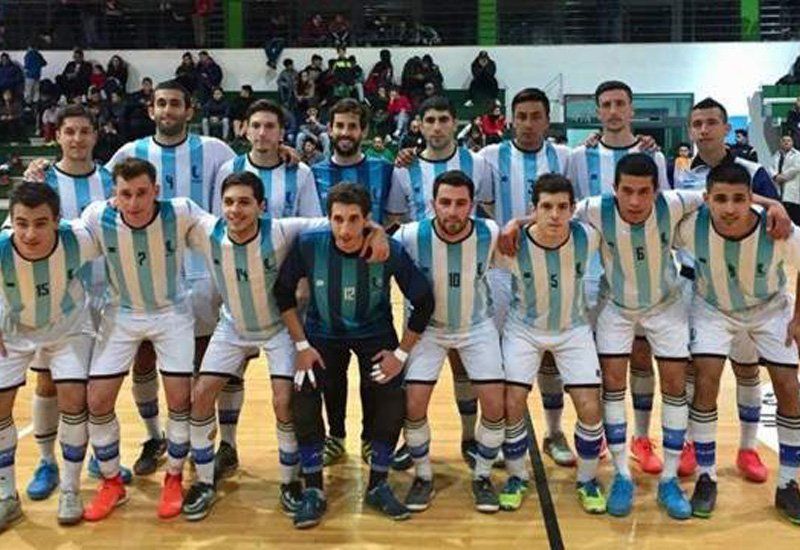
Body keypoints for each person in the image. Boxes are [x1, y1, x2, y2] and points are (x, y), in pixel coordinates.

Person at [274, 182, 434, 528]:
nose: (344, 229)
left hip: (373, 335)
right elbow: (283, 293)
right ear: (328, 218)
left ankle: (378, 483)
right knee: (304, 389)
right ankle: (314, 489)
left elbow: (424, 301)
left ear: (367, 220)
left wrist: (401, 355)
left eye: (353, 220)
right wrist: (302, 347)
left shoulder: (387, 249)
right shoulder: (309, 244)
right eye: (337, 219)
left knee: (391, 394)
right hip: (322, 334)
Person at [78, 158, 207, 521]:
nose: (133, 203)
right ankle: (111, 483)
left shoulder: (180, 212)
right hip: (120, 312)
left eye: (141, 194)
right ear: (114, 195)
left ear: (156, 191)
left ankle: (174, 477)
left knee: (180, 397)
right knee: (97, 399)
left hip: (172, 312)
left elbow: (221, 233)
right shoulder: (97, 217)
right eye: (125, 195)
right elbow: (59, 243)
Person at [674, 162, 800, 523]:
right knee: (706, 380)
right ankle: (706, 475)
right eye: (721, 199)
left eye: (738, 199)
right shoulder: (689, 225)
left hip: (770, 308)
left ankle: (789, 483)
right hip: (713, 308)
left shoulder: (778, 228)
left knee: (789, 388)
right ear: (707, 198)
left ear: (751, 199)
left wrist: (798, 318)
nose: (729, 208)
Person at [675, 97, 781, 481]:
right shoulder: (683, 172)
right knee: (695, 371)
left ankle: (748, 449)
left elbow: (776, 220)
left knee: (747, 370)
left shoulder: (754, 171)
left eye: (711, 122)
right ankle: (690, 443)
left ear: (725, 128)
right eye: (697, 123)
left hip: (748, 289)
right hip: (696, 284)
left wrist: (773, 204)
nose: (703, 129)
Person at [567, 81, 670, 477]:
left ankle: (643, 439)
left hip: (640, 275)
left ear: (631, 109)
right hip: (590, 274)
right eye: (606, 105)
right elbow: (569, 210)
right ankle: (599, 436)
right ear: (597, 111)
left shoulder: (652, 156)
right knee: (592, 361)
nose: (613, 111)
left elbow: (664, 210)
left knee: (641, 357)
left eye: (620, 104)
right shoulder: (580, 156)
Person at [386, 95, 494, 469]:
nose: (436, 126)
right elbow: (395, 219)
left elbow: (490, 211)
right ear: (418, 124)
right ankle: (410, 440)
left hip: (466, 273)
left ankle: (469, 436)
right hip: (421, 283)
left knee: (464, 366)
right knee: (415, 373)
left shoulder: (478, 163)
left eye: (443, 119)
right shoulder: (404, 168)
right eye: (428, 119)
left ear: (453, 123)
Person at [395, 170, 506, 513]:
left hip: (476, 326)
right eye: (445, 203)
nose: (453, 211)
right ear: (432, 204)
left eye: (461, 203)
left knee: (494, 406)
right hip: (428, 330)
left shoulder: (489, 232)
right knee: (413, 406)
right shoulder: (410, 235)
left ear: (472, 205)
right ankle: (424, 476)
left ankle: (483, 475)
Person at [496, 174, 606, 514]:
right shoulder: (511, 244)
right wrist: (516, 223)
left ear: (573, 209)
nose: (555, 215)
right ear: (535, 209)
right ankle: (516, 476)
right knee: (512, 402)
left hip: (573, 329)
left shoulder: (588, 236)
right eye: (546, 207)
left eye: (562, 207)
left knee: (590, 406)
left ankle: (588, 480)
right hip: (524, 328)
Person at [479, 88, 575, 467]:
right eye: (522, 116)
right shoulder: (489, 156)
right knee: (506, 357)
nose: (529, 123)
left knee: (550, 354)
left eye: (536, 116)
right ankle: (506, 433)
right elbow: (480, 200)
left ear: (547, 120)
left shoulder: (567, 156)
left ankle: (554, 432)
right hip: (504, 271)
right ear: (510, 120)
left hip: (553, 269)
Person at [0, 182, 102, 528]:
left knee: (74, 399)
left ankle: (71, 490)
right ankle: (6, 495)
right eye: (21, 223)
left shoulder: (79, 239)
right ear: (10, 221)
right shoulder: (1, 247)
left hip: (68, 326)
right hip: (14, 327)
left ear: (57, 220)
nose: (30, 233)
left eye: (41, 223)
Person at [308, 99, 398, 467]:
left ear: (364, 131)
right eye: (339, 126)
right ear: (330, 129)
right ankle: (336, 435)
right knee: (331, 372)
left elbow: (395, 215)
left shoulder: (386, 169)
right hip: (325, 281)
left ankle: (368, 437)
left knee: (371, 370)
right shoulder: (309, 172)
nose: (346, 133)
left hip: (372, 278)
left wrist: (377, 234)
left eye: (352, 127)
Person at [774, 134, 800, 224]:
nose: (786, 142)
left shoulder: (797, 155)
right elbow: (771, 168)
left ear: (792, 143)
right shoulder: (777, 154)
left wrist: (782, 177)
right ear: (780, 143)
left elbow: (795, 169)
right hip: (779, 189)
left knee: (794, 219)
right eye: (784, 140)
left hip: (792, 191)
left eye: (788, 141)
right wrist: (775, 176)